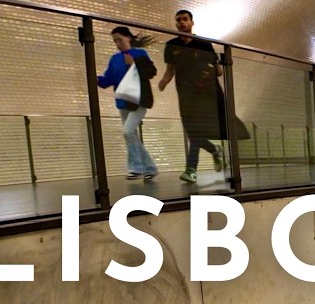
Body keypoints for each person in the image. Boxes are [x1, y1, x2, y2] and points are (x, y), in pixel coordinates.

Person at [158, 10, 226, 184]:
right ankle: (214, 150)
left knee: (195, 131)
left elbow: (218, 70)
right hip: (185, 95)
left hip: (205, 95)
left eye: (184, 19)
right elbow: (170, 70)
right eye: (178, 20)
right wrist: (163, 83)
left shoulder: (203, 44)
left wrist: (214, 68)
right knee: (192, 132)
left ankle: (191, 170)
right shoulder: (172, 45)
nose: (181, 23)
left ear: (191, 22)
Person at [97, 27, 159, 181]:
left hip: (139, 99)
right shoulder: (114, 59)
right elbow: (108, 80)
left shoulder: (140, 54)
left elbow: (151, 72)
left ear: (128, 38)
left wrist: (135, 63)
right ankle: (150, 167)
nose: (117, 44)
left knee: (128, 132)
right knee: (132, 135)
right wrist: (96, 79)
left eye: (119, 39)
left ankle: (136, 168)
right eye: (115, 41)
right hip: (123, 100)